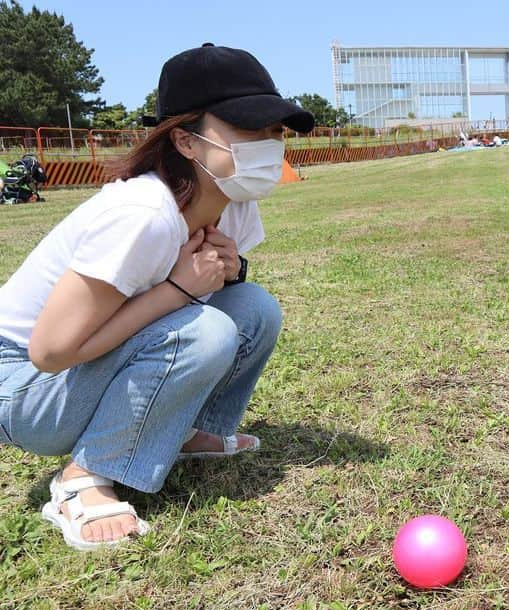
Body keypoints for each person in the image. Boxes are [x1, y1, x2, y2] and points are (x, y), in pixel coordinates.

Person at [0, 43, 314, 550]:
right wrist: (177, 291)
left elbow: (212, 295)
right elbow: (49, 351)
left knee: (253, 307)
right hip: (22, 386)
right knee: (205, 328)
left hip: (63, 368)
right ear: (186, 142)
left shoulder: (231, 199)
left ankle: (185, 433)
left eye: (274, 130)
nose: (268, 144)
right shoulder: (142, 212)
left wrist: (228, 272)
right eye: (247, 128)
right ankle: (82, 480)